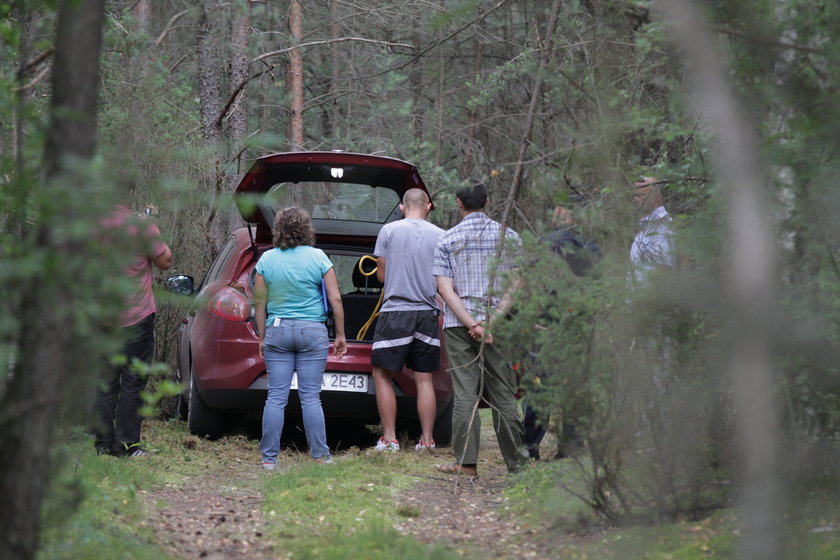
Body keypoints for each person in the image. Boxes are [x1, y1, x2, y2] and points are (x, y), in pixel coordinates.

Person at [433, 179, 529, 476]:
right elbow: (517, 284)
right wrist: (490, 322)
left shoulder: (447, 239)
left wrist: (470, 323)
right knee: (503, 392)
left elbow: (445, 290)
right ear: (487, 202)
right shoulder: (509, 237)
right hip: (498, 325)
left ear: (459, 204)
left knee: (464, 394)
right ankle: (518, 464)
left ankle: (466, 464)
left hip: (459, 325)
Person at [254, 207, 347, 470]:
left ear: (279, 229)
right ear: (307, 229)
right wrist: (340, 335)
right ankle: (320, 456)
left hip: (278, 330)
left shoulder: (267, 260)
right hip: (312, 332)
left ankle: (269, 459)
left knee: (276, 397)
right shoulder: (318, 257)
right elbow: (335, 299)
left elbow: (260, 304)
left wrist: (262, 337)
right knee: (310, 397)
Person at [523, 202, 601, 460]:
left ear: (559, 214)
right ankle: (571, 446)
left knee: (540, 388)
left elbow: (527, 287)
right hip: (577, 329)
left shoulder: (542, 247)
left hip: (544, 327)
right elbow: (598, 292)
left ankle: (530, 446)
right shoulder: (591, 251)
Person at [93, 203, 172, 457]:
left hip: (103, 316)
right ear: (129, 192)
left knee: (105, 383)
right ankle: (127, 445)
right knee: (133, 381)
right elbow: (165, 261)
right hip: (136, 314)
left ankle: (103, 445)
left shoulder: (93, 223)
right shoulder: (140, 225)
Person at [370, 188, 444, 452]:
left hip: (395, 312)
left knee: (382, 374)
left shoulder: (388, 231)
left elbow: (381, 277)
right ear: (428, 206)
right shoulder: (441, 235)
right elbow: (443, 280)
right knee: (424, 379)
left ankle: (390, 438)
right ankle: (427, 440)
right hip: (427, 313)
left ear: (402, 207)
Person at [630, 176, 675, 284]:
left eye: (640, 195)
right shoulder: (648, 226)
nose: (634, 200)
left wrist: (647, 299)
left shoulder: (662, 226)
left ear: (656, 197)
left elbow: (664, 269)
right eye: (634, 195)